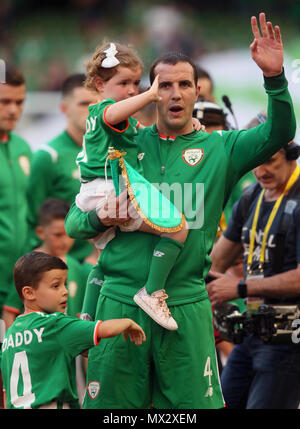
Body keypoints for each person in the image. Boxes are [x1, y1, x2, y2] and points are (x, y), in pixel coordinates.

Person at [65, 13, 296, 409]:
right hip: (121, 303)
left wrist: (274, 80)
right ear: (150, 92)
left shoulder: (222, 148)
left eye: (184, 84)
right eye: (164, 85)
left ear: (197, 92)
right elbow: (74, 223)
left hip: (184, 306)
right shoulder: (126, 145)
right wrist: (101, 218)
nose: (175, 93)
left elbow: (279, 132)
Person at [76, 41, 191, 331]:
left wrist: (193, 125)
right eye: (123, 82)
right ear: (100, 85)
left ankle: (88, 313)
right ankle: (152, 292)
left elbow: (142, 131)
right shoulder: (103, 110)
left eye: (135, 83)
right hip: (108, 191)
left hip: (96, 192)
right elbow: (113, 116)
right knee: (178, 228)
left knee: (107, 256)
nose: (131, 90)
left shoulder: (121, 121)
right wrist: (151, 94)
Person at [207, 143, 300, 409]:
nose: (261, 171)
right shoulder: (251, 196)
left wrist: (241, 288)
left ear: (292, 156)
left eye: (270, 161)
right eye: (255, 163)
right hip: (252, 330)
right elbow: (215, 262)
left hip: (290, 335)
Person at [0, 251, 145, 409]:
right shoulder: (54, 324)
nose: (65, 291)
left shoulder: (9, 335)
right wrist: (128, 322)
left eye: (65, 284)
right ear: (29, 292)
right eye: (56, 286)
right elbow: (105, 330)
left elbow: (6, 392)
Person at [26, 73, 98, 263]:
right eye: (83, 104)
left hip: (102, 263)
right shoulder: (48, 156)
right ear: (64, 108)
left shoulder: (108, 152)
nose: (91, 110)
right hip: (66, 266)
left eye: (95, 103)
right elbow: (33, 220)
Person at [3, 198, 89, 323]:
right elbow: (9, 311)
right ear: (40, 232)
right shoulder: (28, 266)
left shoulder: (75, 267)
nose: (65, 241)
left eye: (69, 235)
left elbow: (77, 315)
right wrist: (9, 341)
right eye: (58, 235)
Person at [0, 65, 32, 322]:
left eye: (19, 102)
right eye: (5, 101)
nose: (13, 110)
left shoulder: (23, 149)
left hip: (19, 291)